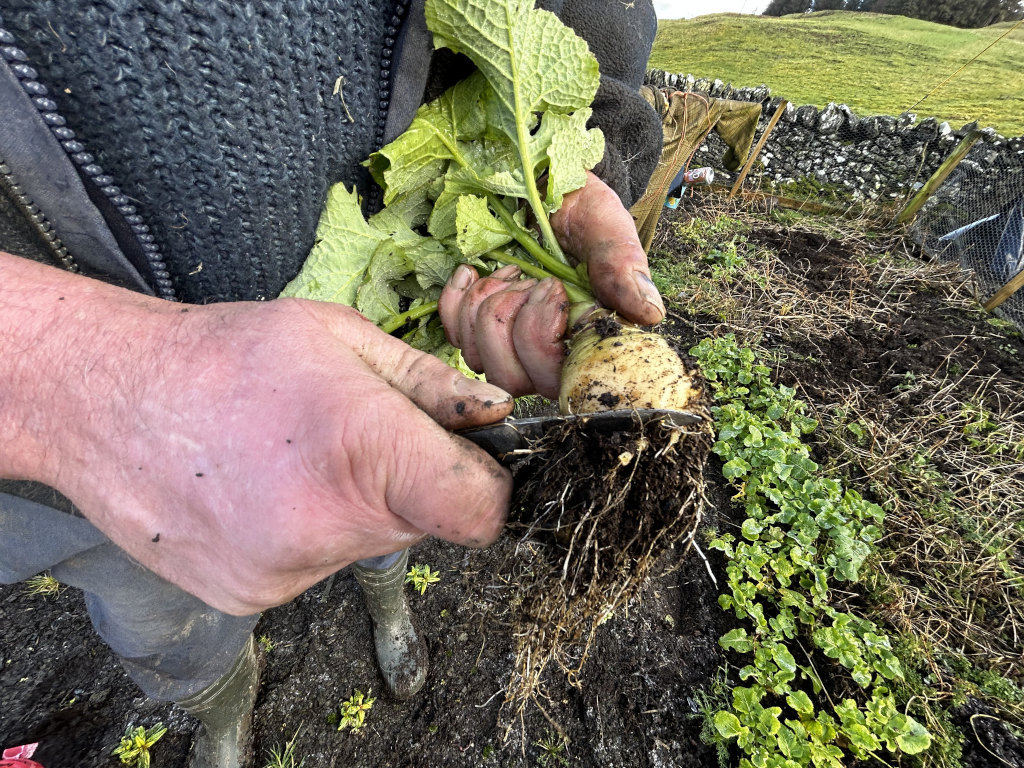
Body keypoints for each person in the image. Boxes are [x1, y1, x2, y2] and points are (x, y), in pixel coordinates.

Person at [0, 0, 664, 765]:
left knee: (387, 505)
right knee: (161, 618)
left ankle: (386, 597)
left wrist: (577, 166)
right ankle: (218, 704)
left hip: (401, 339)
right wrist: (83, 381)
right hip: (60, 444)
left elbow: (595, 31)